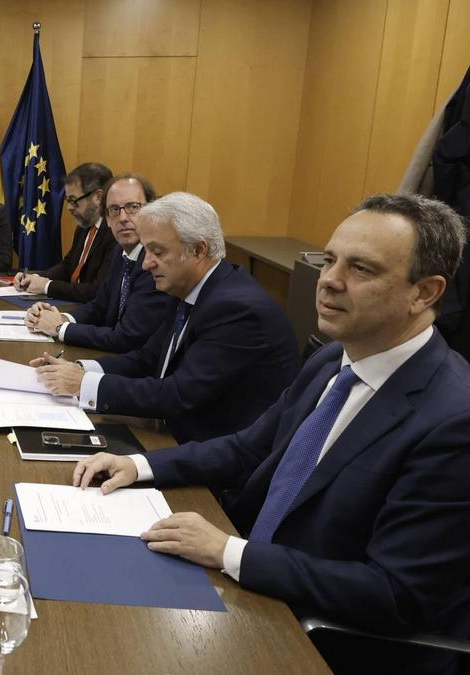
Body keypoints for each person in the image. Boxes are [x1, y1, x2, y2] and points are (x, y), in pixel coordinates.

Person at [73, 194, 470, 674]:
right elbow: (250, 447)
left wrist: (229, 551)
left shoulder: (453, 419)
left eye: (361, 269)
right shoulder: (332, 360)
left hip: (321, 639)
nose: (329, 281)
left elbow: (393, 593)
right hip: (256, 585)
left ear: (424, 293)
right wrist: (139, 465)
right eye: (329, 260)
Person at [31, 192, 300, 443]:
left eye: (157, 252)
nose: (146, 263)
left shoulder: (237, 309)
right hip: (172, 432)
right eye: (146, 250)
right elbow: (148, 358)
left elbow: (179, 394)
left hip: (210, 460)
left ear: (198, 250)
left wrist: (84, 384)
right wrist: (79, 369)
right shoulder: (189, 287)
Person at [25, 173, 175, 353]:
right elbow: (100, 306)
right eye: (114, 210)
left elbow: (127, 338)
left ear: (151, 211)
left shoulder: (154, 262)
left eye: (133, 207)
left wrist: (59, 328)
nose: (123, 218)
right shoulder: (120, 252)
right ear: (107, 220)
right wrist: (62, 317)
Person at [13, 163, 117, 302]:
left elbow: (97, 291)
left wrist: (47, 286)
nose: (69, 208)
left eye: (73, 201)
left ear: (98, 197)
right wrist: (36, 278)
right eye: (67, 200)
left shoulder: (116, 233)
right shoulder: (84, 226)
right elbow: (68, 266)